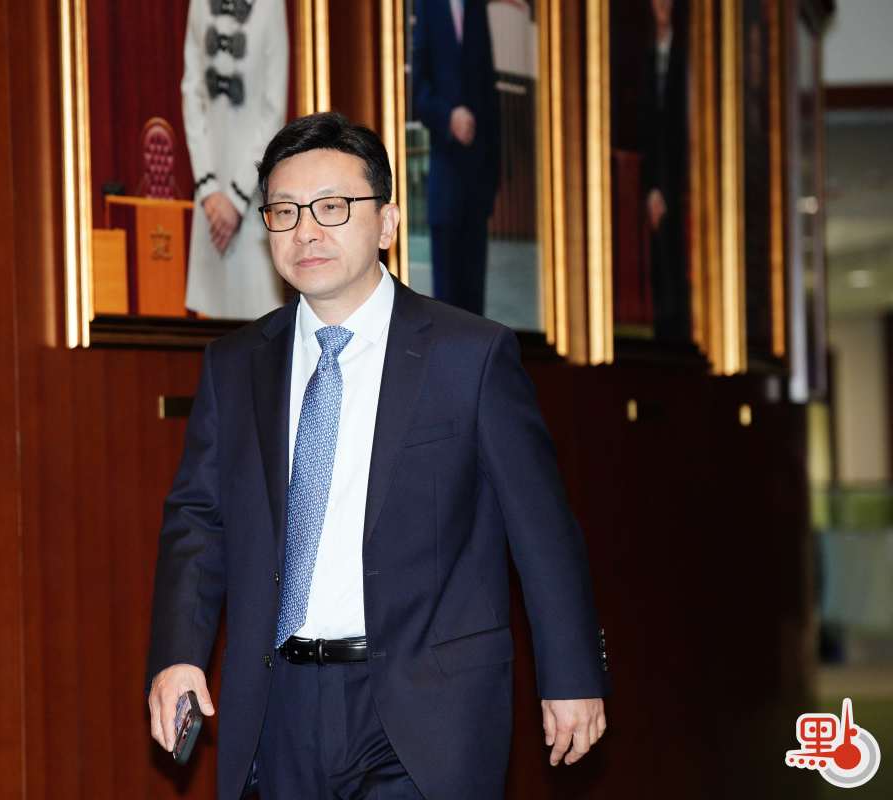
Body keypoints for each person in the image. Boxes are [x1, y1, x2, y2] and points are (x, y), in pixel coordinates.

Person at [147, 112, 609, 800]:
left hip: (424, 708)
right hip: (278, 705)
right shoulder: (237, 365)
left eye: (332, 207)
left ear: (387, 222)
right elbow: (198, 520)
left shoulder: (469, 355)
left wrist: (571, 674)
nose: (307, 232)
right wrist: (179, 654)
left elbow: (541, 527)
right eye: (284, 211)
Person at [181, 0, 289, 319]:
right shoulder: (199, 4)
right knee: (208, 328)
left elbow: (274, 110)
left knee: (259, 322)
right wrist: (209, 189)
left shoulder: (271, 6)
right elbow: (191, 92)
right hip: (210, 205)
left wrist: (236, 198)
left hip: (252, 198)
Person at [412, 0, 502, 316]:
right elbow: (418, 93)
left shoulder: (477, 8)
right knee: (446, 298)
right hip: (446, 174)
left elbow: (489, 91)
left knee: (475, 297)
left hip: (479, 177)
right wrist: (448, 118)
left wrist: (495, 175)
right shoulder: (427, 7)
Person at [639, 0, 691, 342]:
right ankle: (665, 327)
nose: (661, 6)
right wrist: (652, 187)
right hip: (656, 173)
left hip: (682, 172)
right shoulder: (645, 58)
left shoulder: (688, 57)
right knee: (659, 257)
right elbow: (648, 128)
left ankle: (680, 327)